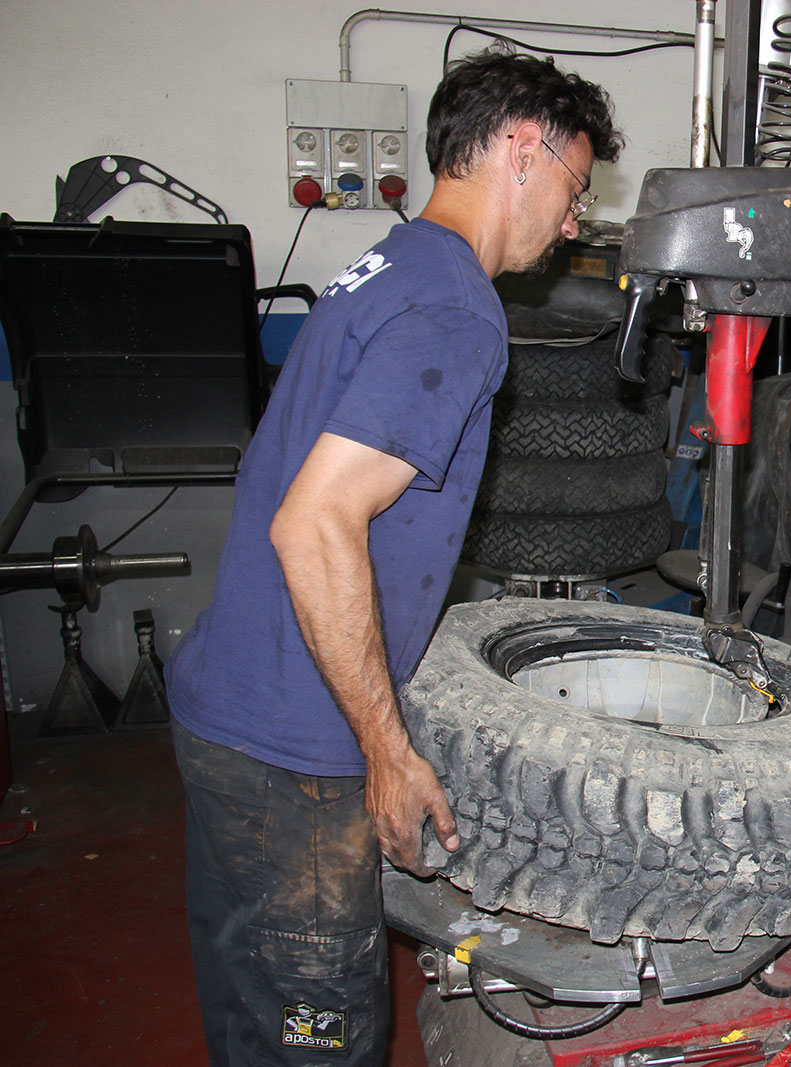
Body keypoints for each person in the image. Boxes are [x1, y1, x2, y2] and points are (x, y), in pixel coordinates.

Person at [164, 52, 621, 1065]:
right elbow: (314, 523)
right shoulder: (460, 311)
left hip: (227, 705)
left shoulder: (388, 263)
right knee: (320, 1029)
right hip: (294, 754)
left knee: (254, 1009)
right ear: (520, 149)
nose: (575, 220)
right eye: (575, 189)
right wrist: (386, 747)